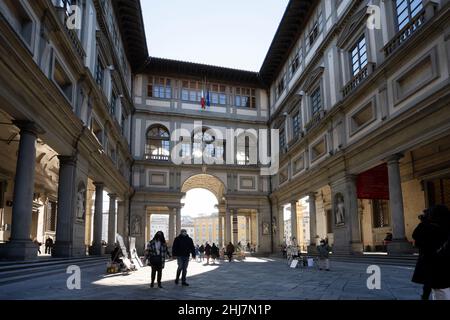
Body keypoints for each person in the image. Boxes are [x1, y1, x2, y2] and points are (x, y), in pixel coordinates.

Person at [412, 205, 450, 300]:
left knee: (440, 291)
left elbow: (416, 236)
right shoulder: (445, 225)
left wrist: (423, 221)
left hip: (434, 264)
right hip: (443, 263)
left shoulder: (429, 227)